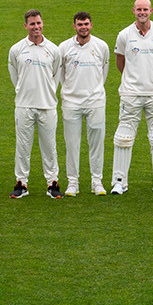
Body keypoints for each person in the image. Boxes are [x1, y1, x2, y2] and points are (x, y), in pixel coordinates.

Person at [112, 0, 153, 195]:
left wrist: (152, 77)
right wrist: (134, 80)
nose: (142, 12)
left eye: (145, 9)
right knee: (124, 137)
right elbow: (120, 62)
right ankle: (119, 182)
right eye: (139, 9)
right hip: (131, 93)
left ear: (151, 11)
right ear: (133, 11)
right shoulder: (124, 35)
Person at [7, 9, 63, 199]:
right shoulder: (16, 49)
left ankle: (52, 183)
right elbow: (15, 76)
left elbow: (56, 76)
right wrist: (24, 91)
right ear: (26, 26)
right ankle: (21, 183)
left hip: (47, 105)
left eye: (38, 23)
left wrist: (46, 92)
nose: (36, 27)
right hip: (24, 105)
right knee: (23, 146)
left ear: (42, 24)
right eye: (32, 24)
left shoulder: (54, 50)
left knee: (49, 146)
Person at [58, 12, 110, 196]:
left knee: (97, 143)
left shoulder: (101, 46)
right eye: (80, 24)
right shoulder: (63, 47)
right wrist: (70, 91)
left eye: (86, 24)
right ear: (74, 26)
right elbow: (60, 76)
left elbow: (104, 71)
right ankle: (73, 182)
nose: (83, 27)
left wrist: (93, 90)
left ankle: (97, 182)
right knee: (72, 144)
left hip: (95, 102)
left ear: (91, 25)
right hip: (71, 103)